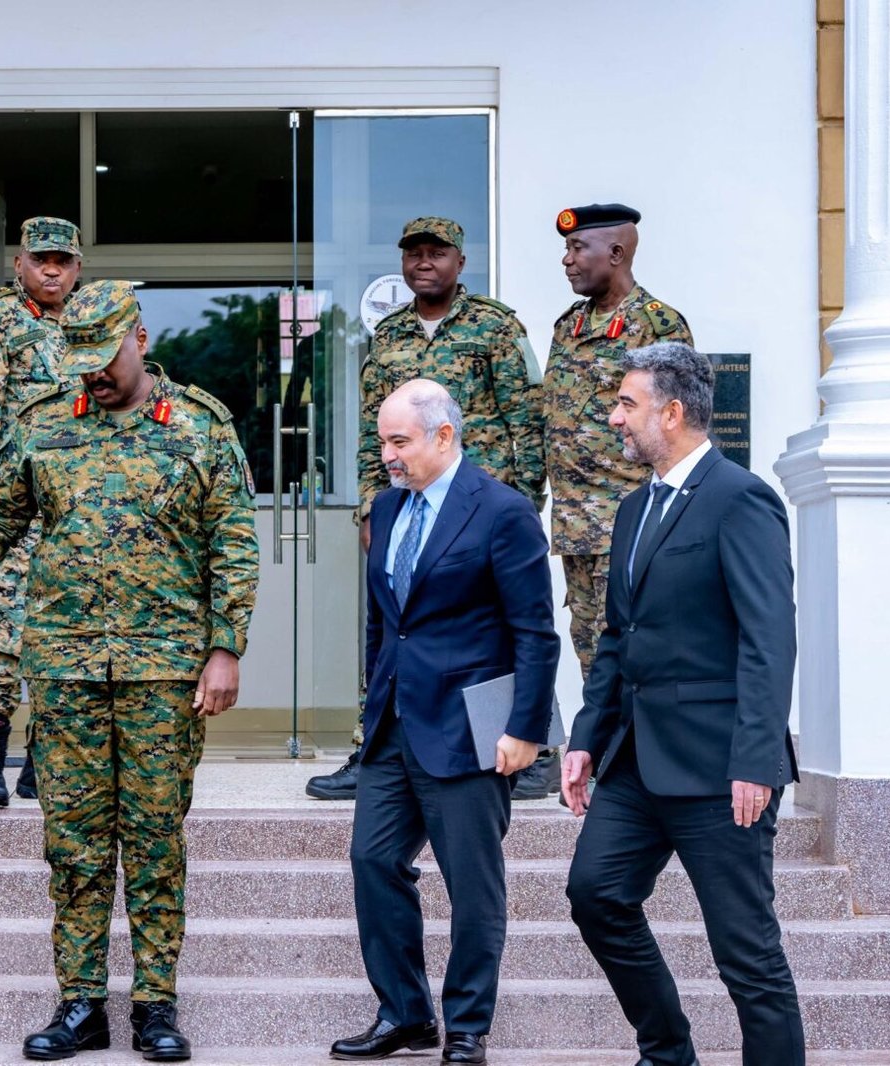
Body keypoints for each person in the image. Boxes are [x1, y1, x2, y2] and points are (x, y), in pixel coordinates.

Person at [0, 280, 258, 1062]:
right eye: (78, 362)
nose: (92, 376)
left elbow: (234, 543)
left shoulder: (201, 427)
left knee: (153, 840)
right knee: (71, 843)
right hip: (66, 668)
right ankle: (79, 1003)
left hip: (165, 672)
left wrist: (226, 646)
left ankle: (155, 1005)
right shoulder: (43, 427)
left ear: (138, 337)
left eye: (103, 359)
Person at [563, 342, 804, 1066]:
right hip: (635, 759)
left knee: (747, 956)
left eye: (627, 404)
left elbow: (770, 639)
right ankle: (668, 1052)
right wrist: (584, 737)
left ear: (671, 412)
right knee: (595, 894)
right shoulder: (636, 507)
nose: (614, 418)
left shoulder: (742, 497)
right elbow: (617, 637)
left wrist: (758, 761)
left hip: (721, 770)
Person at [332, 379, 559, 1065]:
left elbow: (535, 634)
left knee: (473, 884)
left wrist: (525, 729)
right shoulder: (388, 506)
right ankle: (405, 1015)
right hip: (394, 726)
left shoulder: (503, 511)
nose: (387, 457)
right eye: (381, 442)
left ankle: (466, 1027)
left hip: (470, 729)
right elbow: (384, 622)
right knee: (373, 860)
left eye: (399, 442)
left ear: (444, 436)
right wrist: (373, 701)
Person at [308, 216, 545, 803]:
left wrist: (525, 505)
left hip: (479, 510)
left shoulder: (495, 326)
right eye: (414, 253)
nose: (424, 263)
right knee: (395, 630)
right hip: (408, 508)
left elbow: (527, 422)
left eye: (437, 253)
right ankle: (375, 749)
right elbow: (372, 431)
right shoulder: (387, 336)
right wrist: (370, 508)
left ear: (460, 262)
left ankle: (525, 750)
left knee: (500, 628)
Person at [543, 204, 693, 727]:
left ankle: (647, 764)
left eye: (576, 249)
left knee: (641, 651)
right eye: (566, 250)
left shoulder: (659, 325)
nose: (567, 260)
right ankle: (606, 760)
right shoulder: (569, 327)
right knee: (593, 652)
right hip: (576, 529)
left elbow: (681, 429)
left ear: (616, 252)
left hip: (632, 523)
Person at [0, 215, 82, 806]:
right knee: (9, 629)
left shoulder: (90, 321)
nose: (51, 270)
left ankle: (40, 759)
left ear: (77, 267)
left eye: (63, 261)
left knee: (67, 633)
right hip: (18, 506)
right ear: (19, 263)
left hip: (80, 510)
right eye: (40, 260)